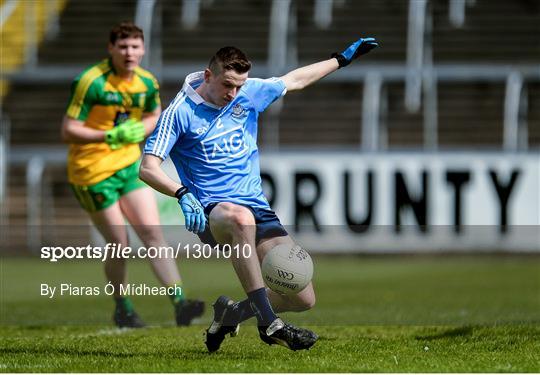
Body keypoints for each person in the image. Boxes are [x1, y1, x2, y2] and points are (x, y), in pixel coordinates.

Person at [140, 37, 378, 350]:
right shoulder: (180, 112)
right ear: (208, 76)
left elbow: (295, 80)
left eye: (239, 86)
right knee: (241, 219)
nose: (233, 94)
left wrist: (341, 60)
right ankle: (270, 324)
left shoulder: (248, 92)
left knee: (302, 296)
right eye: (228, 85)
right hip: (214, 211)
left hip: (257, 207)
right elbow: (147, 167)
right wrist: (182, 193)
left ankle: (231, 314)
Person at [61, 21, 204, 328]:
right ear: (111, 49)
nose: (129, 52)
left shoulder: (146, 82)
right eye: (123, 46)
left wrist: (142, 128)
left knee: (153, 234)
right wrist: (110, 136)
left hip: (128, 167)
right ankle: (122, 307)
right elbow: (69, 129)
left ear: (143, 49)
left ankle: (180, 303)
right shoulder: (91, 81)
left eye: (135, 46)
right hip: (92, 173)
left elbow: (155, 113)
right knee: (120, 244)